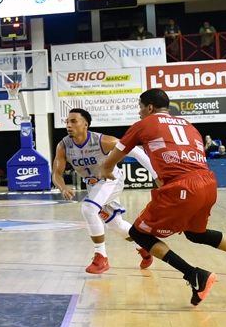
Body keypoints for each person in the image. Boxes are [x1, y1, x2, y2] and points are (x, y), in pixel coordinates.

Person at [95, 88, 226, 306]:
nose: (139, 112)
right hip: (208, 182)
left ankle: (194, 275)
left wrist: (106, 169)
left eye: (140, 107)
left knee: (138, 233)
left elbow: (117, 153)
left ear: (150, 107)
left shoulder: (143, 124)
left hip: (183, 186)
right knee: (196, 233)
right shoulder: (189, 126)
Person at [52, 107, 155, 274]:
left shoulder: (102, 140)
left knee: (88, 208)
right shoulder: (63, 146)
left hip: (110, 179)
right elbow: (56, 173)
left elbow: (135, 151)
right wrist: (63, 187)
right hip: (93, 184)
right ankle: (143, 248)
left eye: (73, 121)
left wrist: (156, 174)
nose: (68, 125)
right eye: (67, 122)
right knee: (116, 225)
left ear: (85, 124)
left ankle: (101, 257)